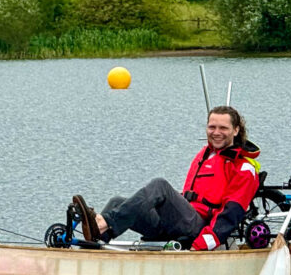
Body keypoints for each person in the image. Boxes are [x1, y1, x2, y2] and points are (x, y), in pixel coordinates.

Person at [72, 105, 260, 251]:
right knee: (117, 202)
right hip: (175, 222)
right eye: (212, 127)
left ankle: (103, 223)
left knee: (160, 185)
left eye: (223, 128)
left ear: (235, 130)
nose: (216, 132)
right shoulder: (206, 154)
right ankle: (91, 248)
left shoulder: (244, 169)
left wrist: (202, 245)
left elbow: (230, 215)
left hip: (197, 229)